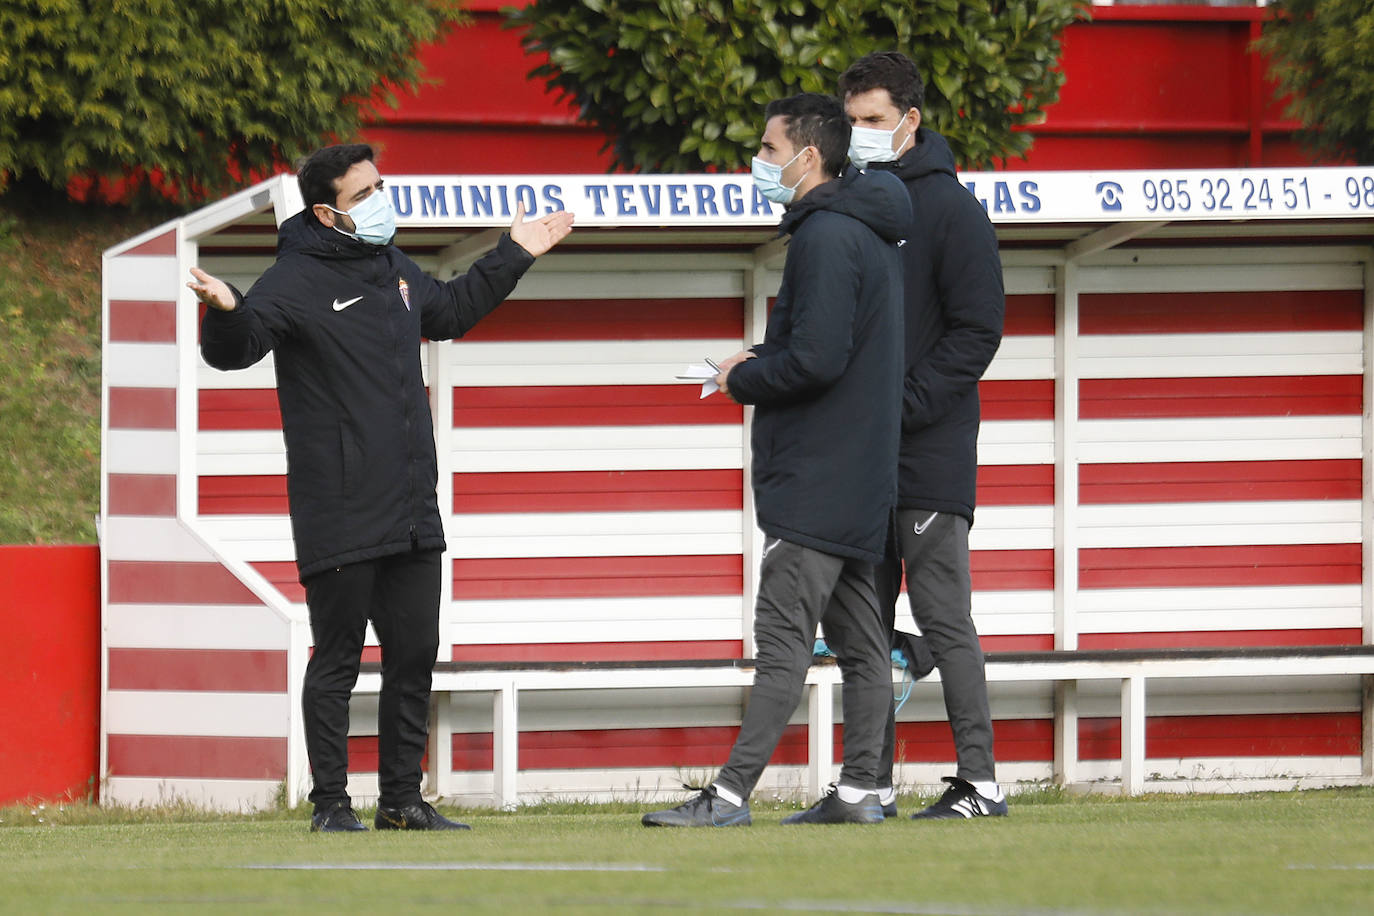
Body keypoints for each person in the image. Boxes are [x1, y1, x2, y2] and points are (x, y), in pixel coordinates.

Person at [191, 143, 574, 832]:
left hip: (410, 505)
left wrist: (513, 252)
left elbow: (449, 313)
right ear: (326, 211)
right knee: (337, 658)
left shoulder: (393, 269)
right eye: (364, 193)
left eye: (380, 185)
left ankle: (402, 801)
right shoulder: (294, 278)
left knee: (413, 657)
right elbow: (238, 346)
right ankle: (331, 806)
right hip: (339, 507)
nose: (379, 199)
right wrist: (223, 310)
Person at [641, 93, 909, 827]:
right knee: (864, 648)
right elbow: (839, 353)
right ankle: (861, 791)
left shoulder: (825, 236)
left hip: (815, 481)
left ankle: (728, 796)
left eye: (766, 147)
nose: (758, 161)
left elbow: (817, 361)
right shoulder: (870, 235)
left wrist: (742, 377)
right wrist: (761, 354)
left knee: (784, 642)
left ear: (809, 156)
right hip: (859, 479)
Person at [838, 52, 1007, 819]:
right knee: (863, 629)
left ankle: (980, 784)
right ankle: (867, 785)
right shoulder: (851, 204)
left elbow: (977, 332)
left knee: (944, 619)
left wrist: (899, 404)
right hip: (863, 460)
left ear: (909, 121)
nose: (860, 136)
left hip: (930, 455)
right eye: (851, 123)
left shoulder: (954, 211)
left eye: (873, 121)